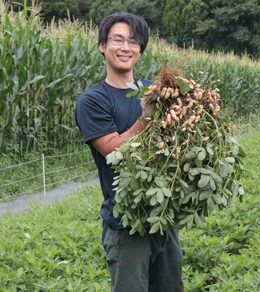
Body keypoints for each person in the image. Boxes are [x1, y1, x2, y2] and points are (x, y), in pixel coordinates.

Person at [75, 11, 184, 292]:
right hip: (127, 223)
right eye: (118, 40)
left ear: (140, 49)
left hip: (163, 218)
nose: (126, 47)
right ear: (102, 45)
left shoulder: (156, 89)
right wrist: (146, 116)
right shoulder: (92, 100)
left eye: (134, 42)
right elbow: (113, 151)